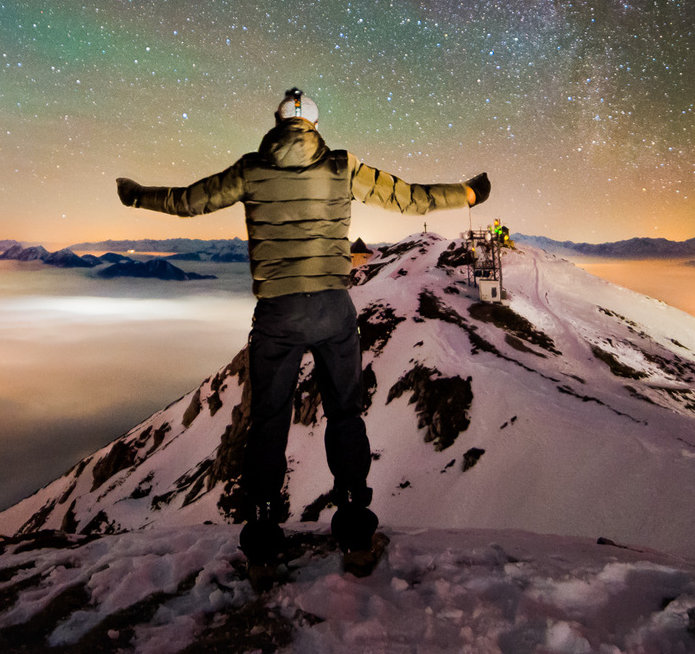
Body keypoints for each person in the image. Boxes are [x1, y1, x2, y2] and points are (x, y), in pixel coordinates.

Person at [116, 88, 489, 576]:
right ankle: (356, 530)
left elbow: (190, 202)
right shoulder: (342, 166)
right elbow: (411, 197)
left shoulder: (250, 169)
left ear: (276, 123)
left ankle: (264, 541)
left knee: (269, 419)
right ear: (313, 125)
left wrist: (138, 196)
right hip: (332, 308)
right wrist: (467, 193)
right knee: (344, 413)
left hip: (276, 313)